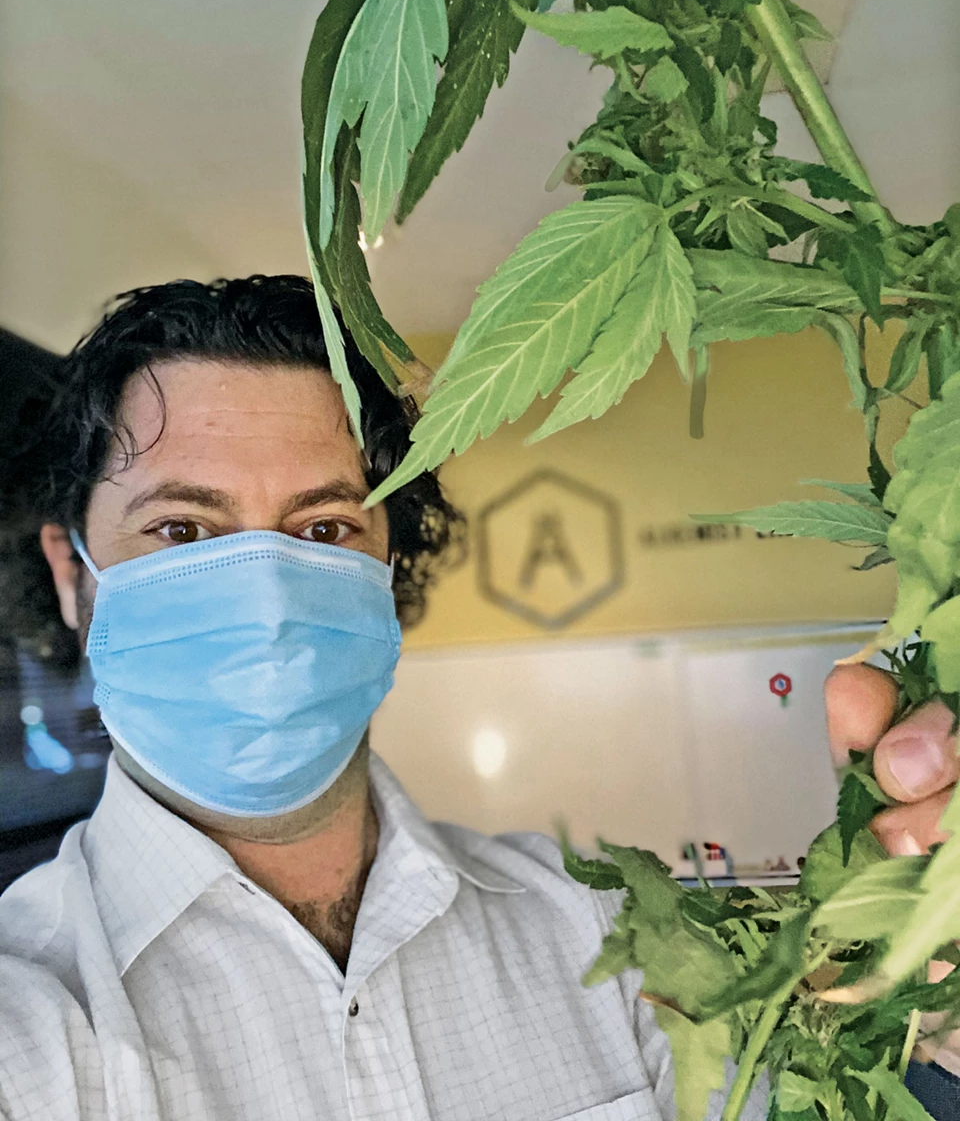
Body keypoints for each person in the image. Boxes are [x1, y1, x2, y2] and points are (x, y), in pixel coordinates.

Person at [0, 275, 956, 1121]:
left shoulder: (600, 924)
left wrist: (937, 1022)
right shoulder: (29, 1022)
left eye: (325, 528)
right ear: (73, 574)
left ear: (388, 571)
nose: (267, 599)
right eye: (182, 529)